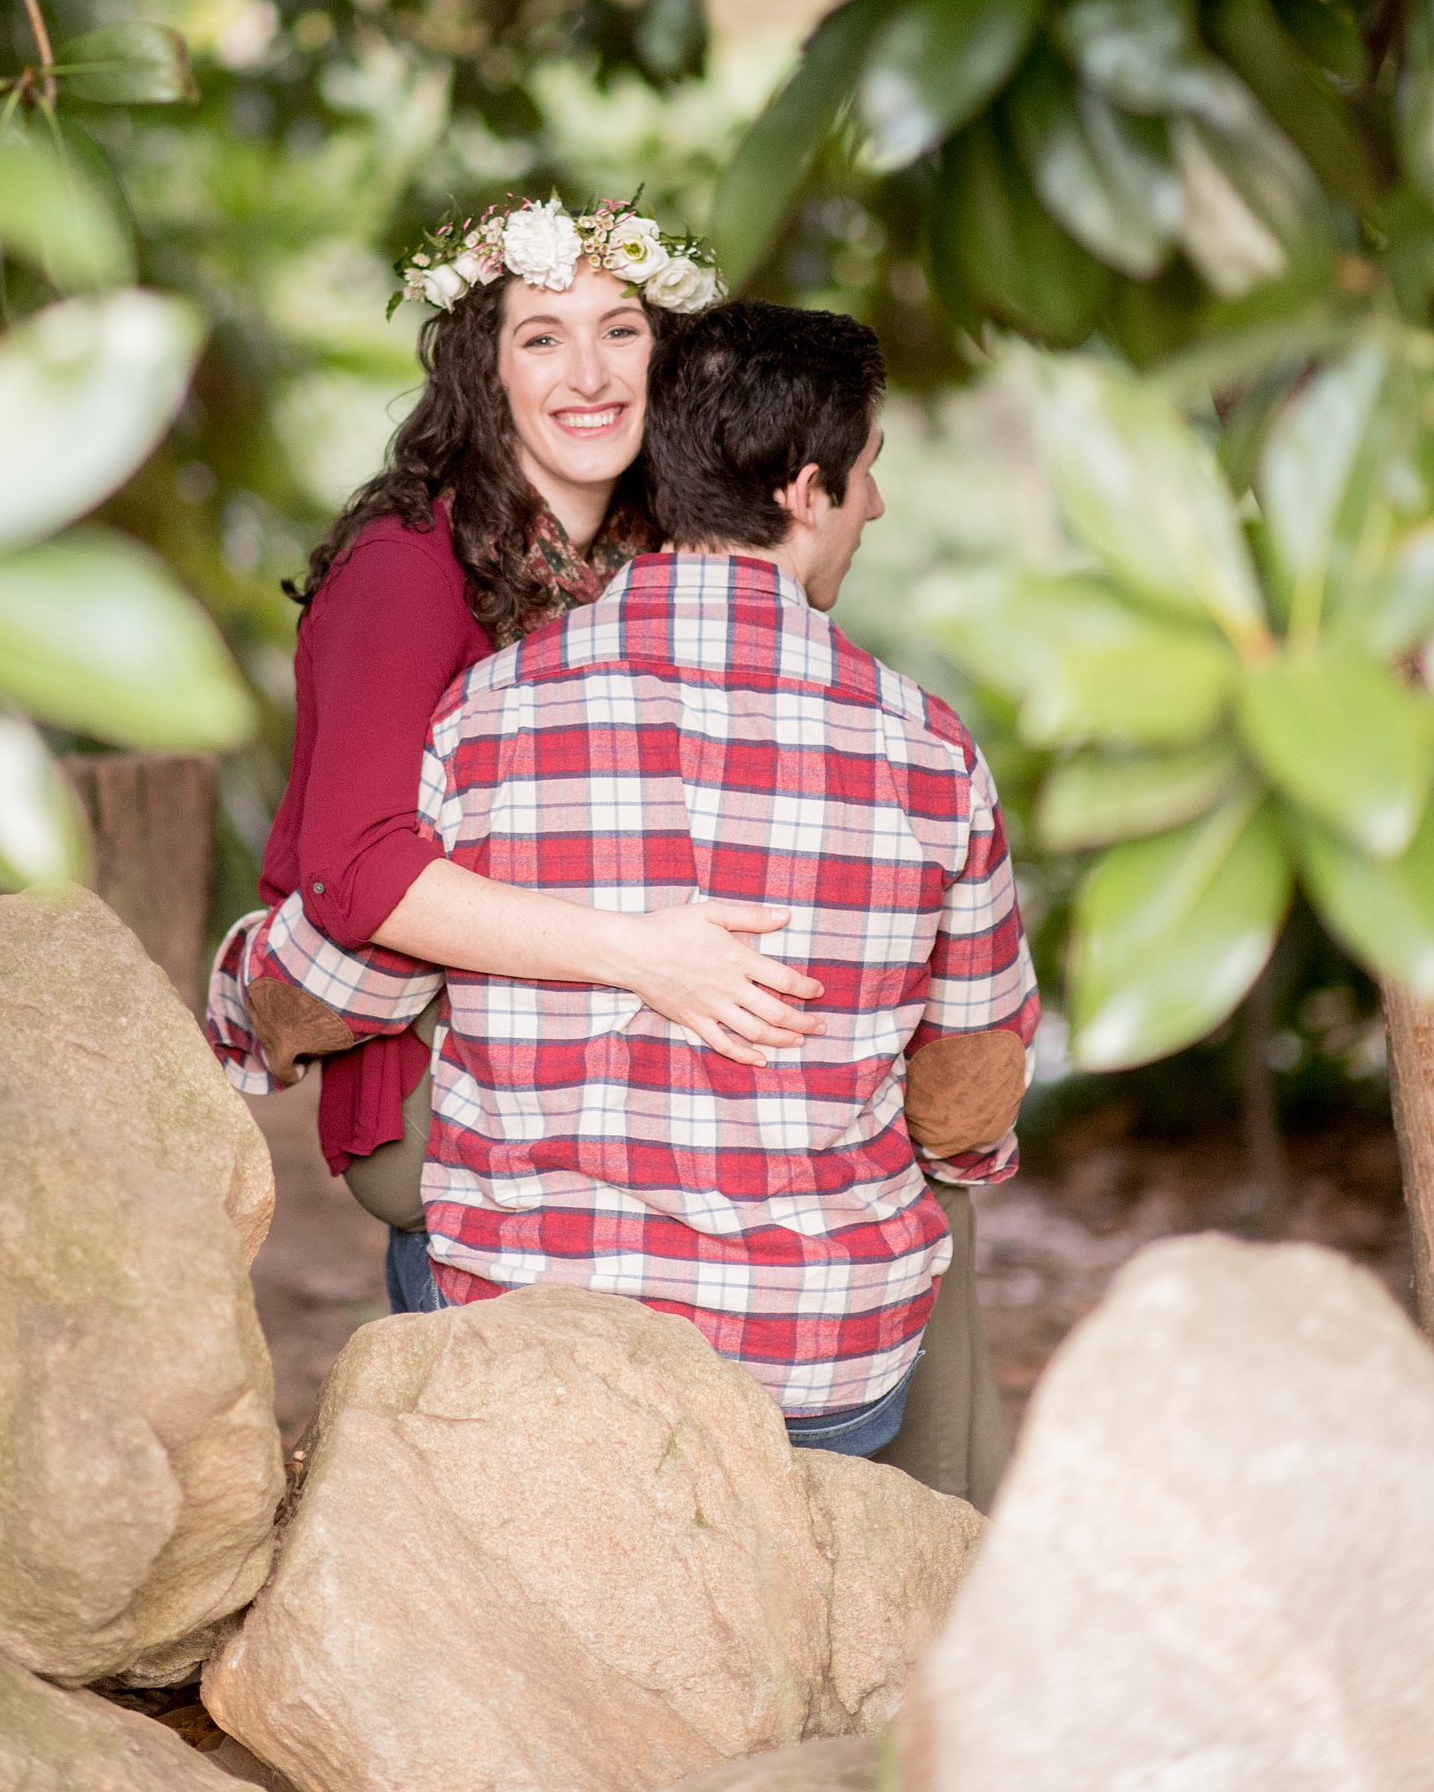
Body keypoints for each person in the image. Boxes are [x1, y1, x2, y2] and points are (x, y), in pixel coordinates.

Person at [249, 298, 1037, 1505]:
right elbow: (968, 1089)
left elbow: (330, 980)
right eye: (868, 475)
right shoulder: (931, 754)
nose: (874, 508)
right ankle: (921, 1580)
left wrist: (238, 997)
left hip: (537, 1345)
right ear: (806, 491)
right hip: (820, 1373)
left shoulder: (489, 711)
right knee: (929, 1212)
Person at [207, 198, 824, 1315]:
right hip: (447, 1077)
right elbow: (358, 871)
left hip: (618, 1040)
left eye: (620, 329)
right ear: (483, 373)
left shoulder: (654, 557)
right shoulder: (407, 566)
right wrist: (643, 954)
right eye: (541, 335)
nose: (588, 371)